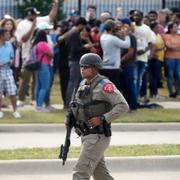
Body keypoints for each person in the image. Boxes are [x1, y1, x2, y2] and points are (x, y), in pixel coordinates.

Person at [67, 53, 129, 180]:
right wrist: (71, 117)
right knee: (101, 176)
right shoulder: (84, 83)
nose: (82, 69)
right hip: (86, 135)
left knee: (80, 173)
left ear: (95, 68)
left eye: (86, 67)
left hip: (98, 137)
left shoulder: (104, 85)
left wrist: (103, 118)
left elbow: (123, 106)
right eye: (81, 66)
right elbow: (79, 105)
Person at [0, 28, 21, 118]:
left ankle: (15, 111)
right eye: (7, 34)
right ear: (1, 36)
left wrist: (11, 61)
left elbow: (12, 57)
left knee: (12, 92)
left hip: (7, 70)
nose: (9, 36)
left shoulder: (9, 45)